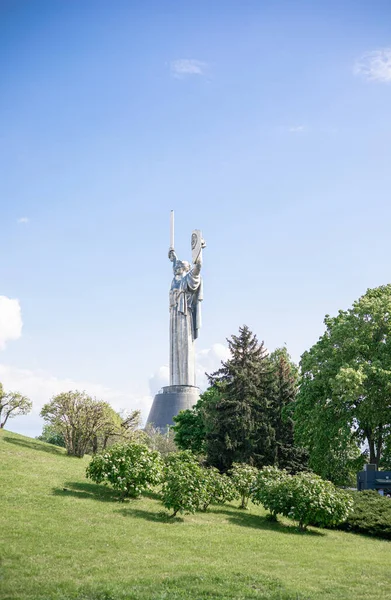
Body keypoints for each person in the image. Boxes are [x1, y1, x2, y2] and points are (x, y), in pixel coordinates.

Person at [168, 247, 203, 386]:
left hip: (184, 316)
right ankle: (175, 383)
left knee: (184, 346)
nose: (177, 267)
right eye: (176, 266)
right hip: (174, 316)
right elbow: (175, 262)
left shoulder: (188, 279)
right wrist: (174, 257)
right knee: (174, 348)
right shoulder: (175, 280)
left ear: (186, 268)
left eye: (180, 266)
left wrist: (199, 251)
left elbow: (198, 267)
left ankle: (186, 383)